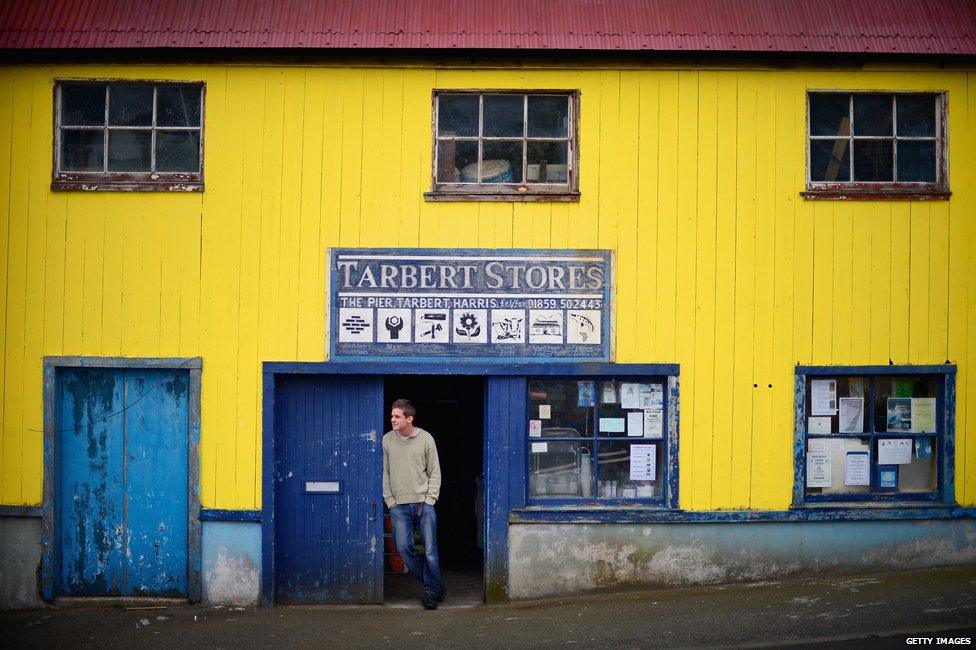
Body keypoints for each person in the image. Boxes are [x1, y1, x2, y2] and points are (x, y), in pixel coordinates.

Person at [383, 398, 445, 609]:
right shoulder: (387, 440)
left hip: (423, 502)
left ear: (409, 418)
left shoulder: (426, 439)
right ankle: (434, 585)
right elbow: (386, 473)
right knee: (404, 548)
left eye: (397, 416)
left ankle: (431, 592)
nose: (392, 419)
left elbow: (434, 471)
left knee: (429, 550)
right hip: (398, 505)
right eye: (392, 415)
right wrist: (390, 501)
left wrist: (430, 499)